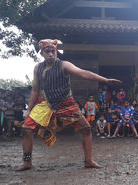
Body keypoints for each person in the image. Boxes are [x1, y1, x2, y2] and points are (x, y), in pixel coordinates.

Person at [19, 39, 121, 171]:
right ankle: (27, 162)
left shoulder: (64, 65)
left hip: (66, 102)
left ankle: (88, 160)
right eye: (47, 51)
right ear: (42, 53)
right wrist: (29, 109)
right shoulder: (38, 68)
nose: (50, 54)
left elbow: (83, 73)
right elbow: (35, 90)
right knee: (26, 129)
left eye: (53, 51)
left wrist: (105, 80)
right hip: (45, 104)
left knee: (86, 129)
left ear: (56, 52)